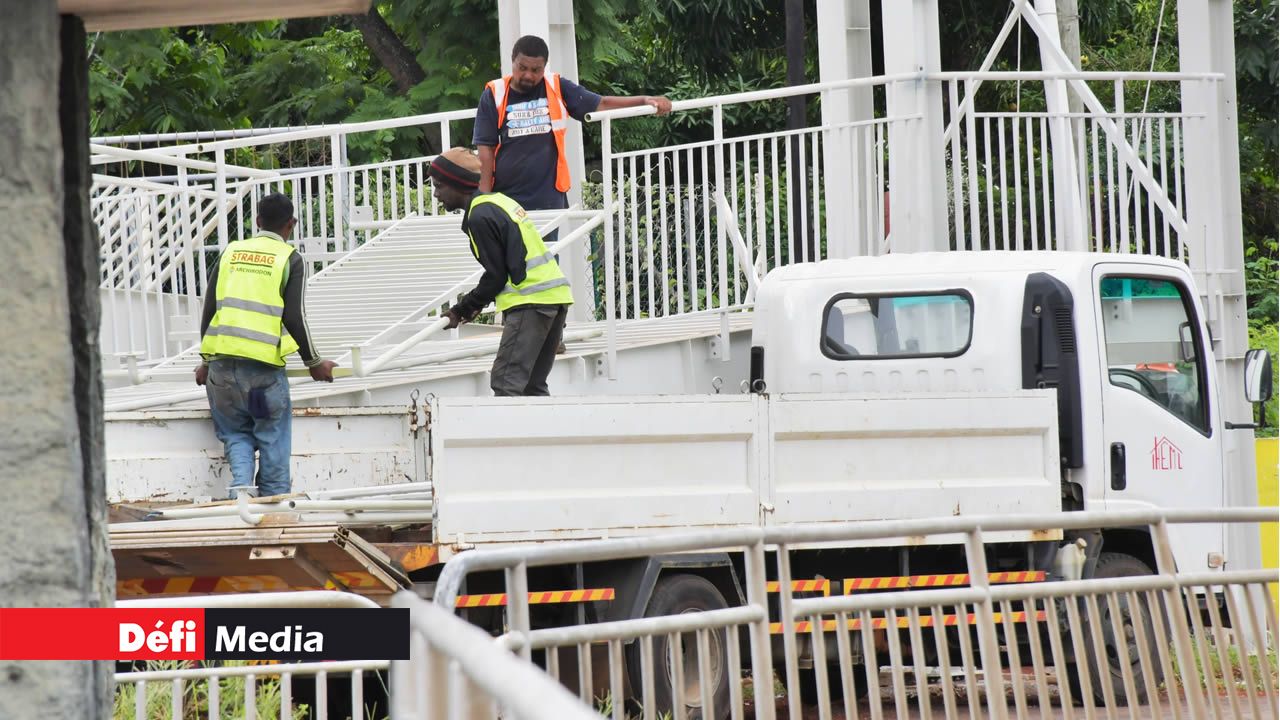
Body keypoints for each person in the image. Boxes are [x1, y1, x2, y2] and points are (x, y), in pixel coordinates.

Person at [195, 193, 337, 499]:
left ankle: (241, 494)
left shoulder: (231, 252)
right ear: (291, 224)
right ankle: (274, 506)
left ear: (257, 221)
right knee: (271, 437)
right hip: (261, 378)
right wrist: (314, 362)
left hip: (222, 372)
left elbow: (210, 309)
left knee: (236, 433)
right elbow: (294, 316)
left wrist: (205, 361)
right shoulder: (289, 258)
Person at [428, 148, 573, 396]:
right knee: (533, 386)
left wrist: (461, 310)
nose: (436, 194)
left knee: (506, 383)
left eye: (439, 186)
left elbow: (496, 276)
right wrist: (473, 307)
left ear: (458, 184)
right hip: (556, 298)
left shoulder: (479, 216)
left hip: (531, 302)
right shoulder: (500, 201)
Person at [473, 34, 673, 213]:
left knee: (545, 246)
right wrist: (484, 198)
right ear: (513, 61)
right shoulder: (494, 93)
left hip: (548, 198)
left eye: (536, 70)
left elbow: (601, 103)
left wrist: (645, 100)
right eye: (522, 68)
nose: (528, 75)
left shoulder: (556, 86)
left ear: (545, 67)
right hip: (505, 198)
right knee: (506, 245)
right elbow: (485, 149)